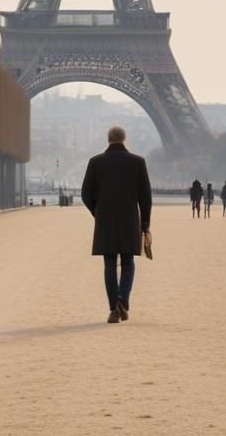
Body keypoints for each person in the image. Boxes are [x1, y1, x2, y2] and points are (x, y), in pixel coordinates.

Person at [81, 126, 153, 324]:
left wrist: (98, 212)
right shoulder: (138, 162)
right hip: (130, 218)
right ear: (124, 139)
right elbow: (145, 197)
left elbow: (85, 194)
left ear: (108, 139)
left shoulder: (95, 162)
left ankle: (113, 308)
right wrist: (145, 224)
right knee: (128, 262)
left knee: (109, 263)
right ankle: (123, 298)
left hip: (106, 220)